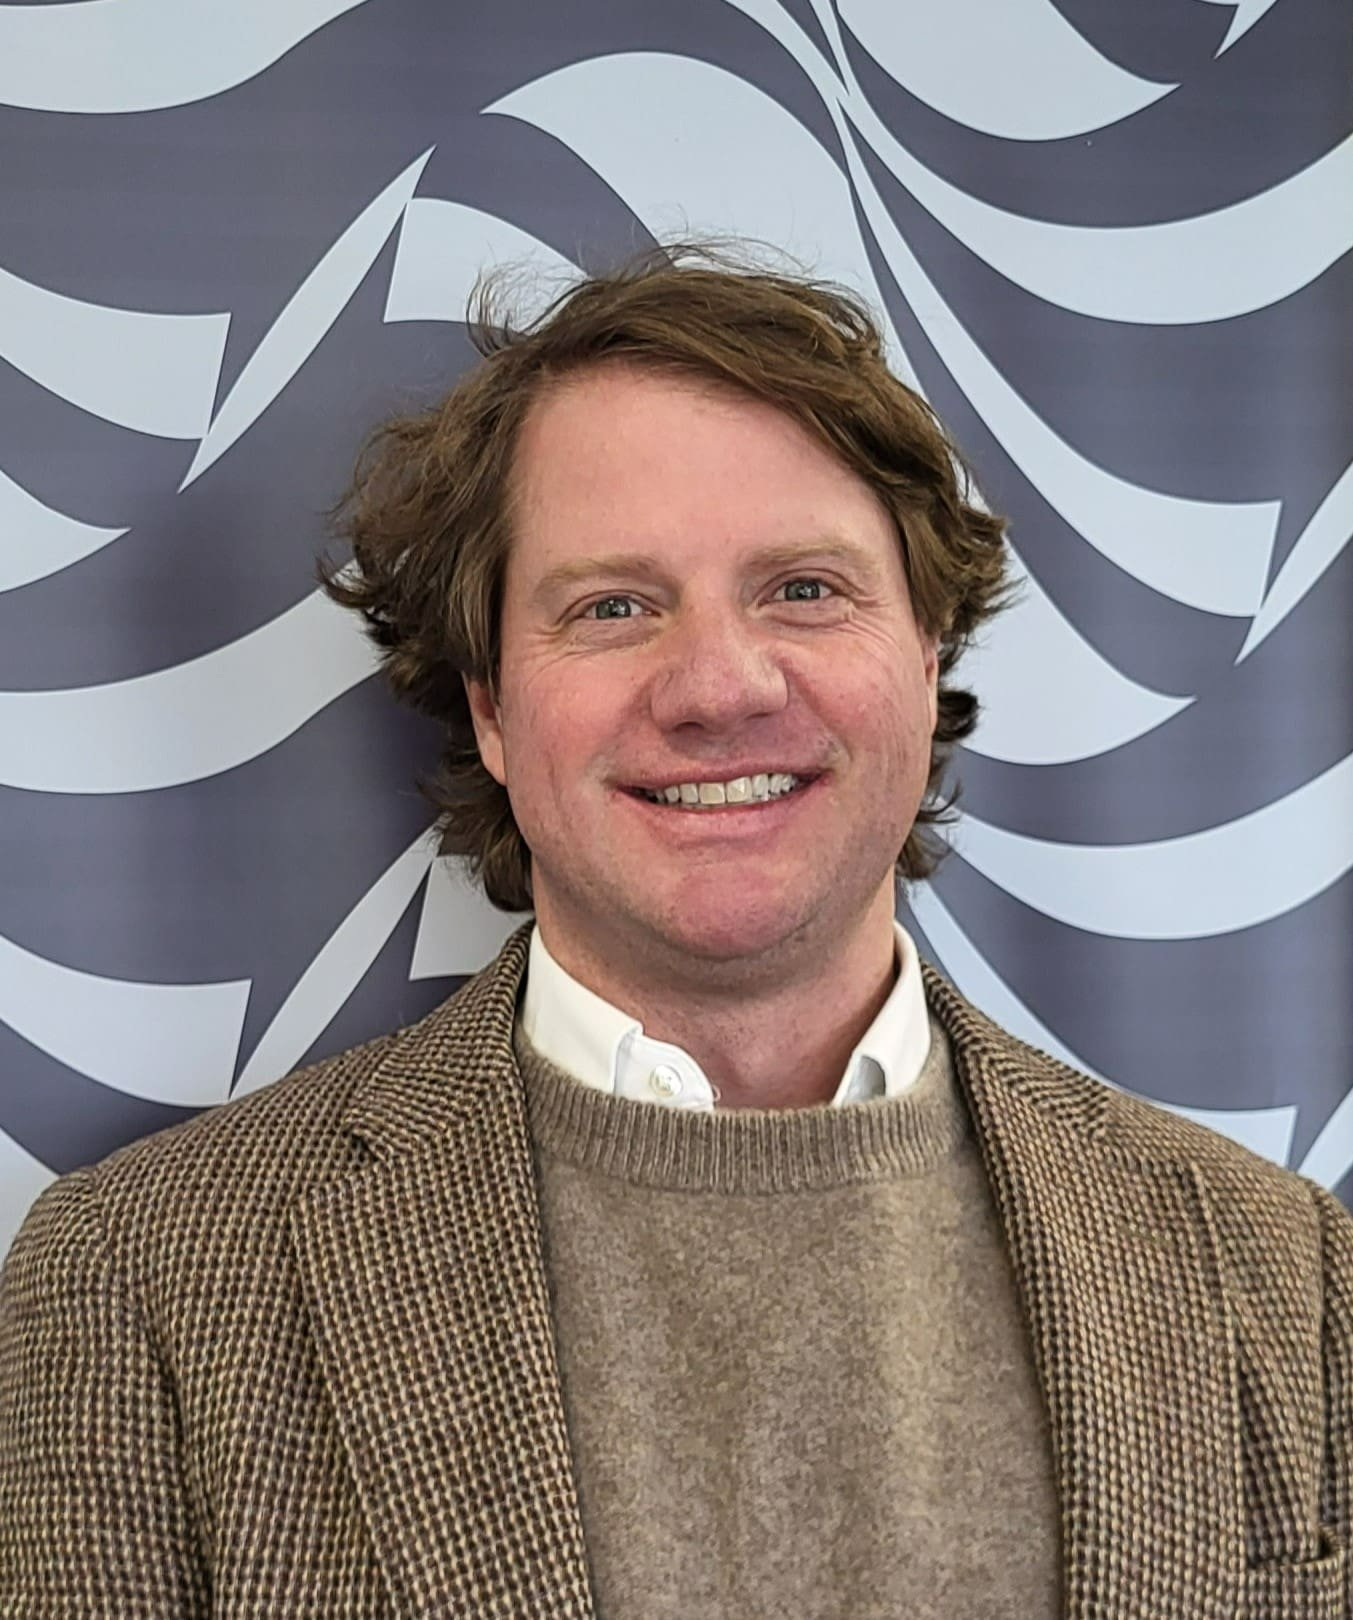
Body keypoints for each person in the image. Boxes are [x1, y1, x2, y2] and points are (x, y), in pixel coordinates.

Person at [1, 247, 1350, 1620]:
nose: (717, 686)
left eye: (804, 589)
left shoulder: (1282, 1271)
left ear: (926, 651)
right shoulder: (144, 1284)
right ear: (490, 707)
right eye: (613, 607)